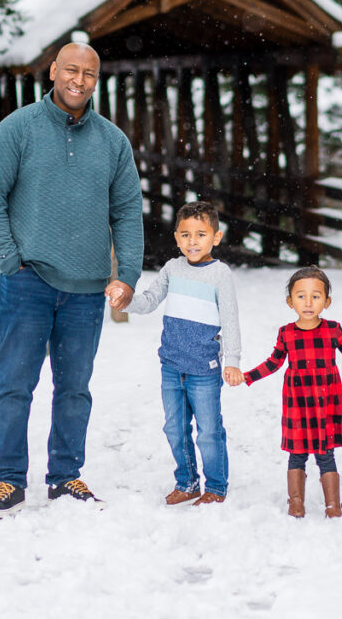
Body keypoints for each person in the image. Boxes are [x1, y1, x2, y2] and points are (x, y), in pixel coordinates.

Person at [0, 42, 144, 517]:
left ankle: (66, 476)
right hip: (29, 281)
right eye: (71, 70)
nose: (79, 80)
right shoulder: (19, 129)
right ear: (52, 71)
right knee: (14, 384)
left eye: (89, 73)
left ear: (96, 80)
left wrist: (126, 273)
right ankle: (9, 479)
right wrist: (8, 258)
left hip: (87, 289)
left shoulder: (112, 142)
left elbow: (128, 210)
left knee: (75, 389)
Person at [126, 200, 243, 507]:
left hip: (204, 369)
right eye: (186, 234)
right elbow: (150, 300)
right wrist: (126, 300)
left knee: (208, 431)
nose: (193, 241)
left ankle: (215, 487)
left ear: (215, 237)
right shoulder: (172, 269)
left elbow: (230, 319)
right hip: (171, 366)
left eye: (201, 234)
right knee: (175, 428)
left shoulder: (220, 274)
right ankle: (187, 482)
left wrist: (232, 361)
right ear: (176, 238)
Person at [243, 266, 342, 519]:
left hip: (325, 402)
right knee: (297, 453)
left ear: (327, 302)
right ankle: (296, 502)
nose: (308, 302)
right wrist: (247, 376)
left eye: (316, 296)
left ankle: (333, 505)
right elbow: (274, 362)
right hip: (297, 402)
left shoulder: (333, 329)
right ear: (290, 301)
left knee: (325, 453)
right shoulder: (286, 332)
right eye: (301, 296)